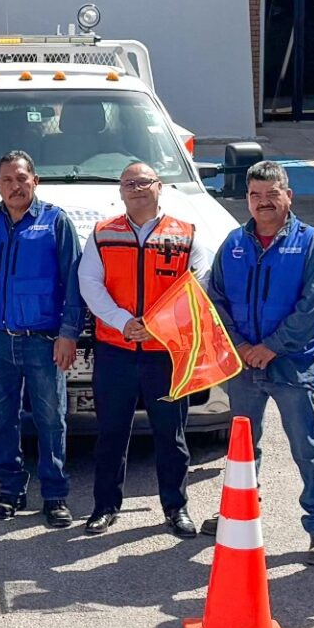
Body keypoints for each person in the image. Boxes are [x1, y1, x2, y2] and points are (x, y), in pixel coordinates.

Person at [206, 160, 314, 564]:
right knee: (243, 446)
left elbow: (311, 305)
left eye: (271, 194)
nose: (263, 202)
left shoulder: (310, 243)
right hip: (245, 365)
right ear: (247, 199)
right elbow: (217, 300)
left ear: (288, 196)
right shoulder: (233, 243)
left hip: (290, 363)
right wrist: (244, 346)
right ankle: (237, 513)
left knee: (306, 446)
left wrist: (273, 347)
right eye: (255, 195)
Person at [78, 162, 216, 537]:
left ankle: (176, 507)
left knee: (171, 433)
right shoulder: (103, 234)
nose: (136, 189)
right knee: (111, 432)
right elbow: (89, 282)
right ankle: (104, 507)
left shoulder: (185, 233)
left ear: (160, 187)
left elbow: (198, 284)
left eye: (143, 182)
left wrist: (157, 324)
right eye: (128, 183)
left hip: (167, 352)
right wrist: (123, 321)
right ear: (120, 191)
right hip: (116, 350)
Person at [0, 151, 84, 528]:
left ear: (35, 181)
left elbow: (74, 285)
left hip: (44, 341)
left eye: (21, 179)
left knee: (51, 420)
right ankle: (10, 490)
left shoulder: (56, 222)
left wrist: (68, 334)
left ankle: (55, 495)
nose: (15, 186)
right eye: (7, 180)